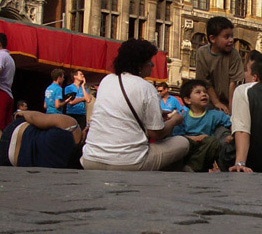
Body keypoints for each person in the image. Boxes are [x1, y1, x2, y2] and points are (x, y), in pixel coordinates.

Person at [81, 40, 189, 171]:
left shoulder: (106, 80)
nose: (153, 65)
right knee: (183, 143)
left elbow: (118, 112)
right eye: (149, 61)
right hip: (128, 162)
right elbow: (156, 134)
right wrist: (174, 120)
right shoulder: (147, 88)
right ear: (139, 65)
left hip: (90, 159)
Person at [0, 110, 84, 169]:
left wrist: (20, 113)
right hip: (9, 160)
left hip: (13, 132)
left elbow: (35, 118)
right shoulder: (77, 166)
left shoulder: (72, 126)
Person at [172, 79, 232, 172]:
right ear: (187, 100)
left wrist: (231, 135)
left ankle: (192, 167)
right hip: (189, 146)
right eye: (198, 92)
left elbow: (232, 123)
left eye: (205, 92)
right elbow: (176, 136)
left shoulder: (215, 115)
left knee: (212, 142)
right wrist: (196, 138)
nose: (203, 94)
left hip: (207, 147)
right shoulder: (183, 118)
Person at [195, 16, 244, 113]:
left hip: (230, 101)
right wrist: (217, 102)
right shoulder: (202, 53)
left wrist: (231, 109)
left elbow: (233, 83)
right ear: (212, 39)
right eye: (226, 37)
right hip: (209, 102)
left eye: (232, 36)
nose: (231, 40)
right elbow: (205, 82)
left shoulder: (234, 54)